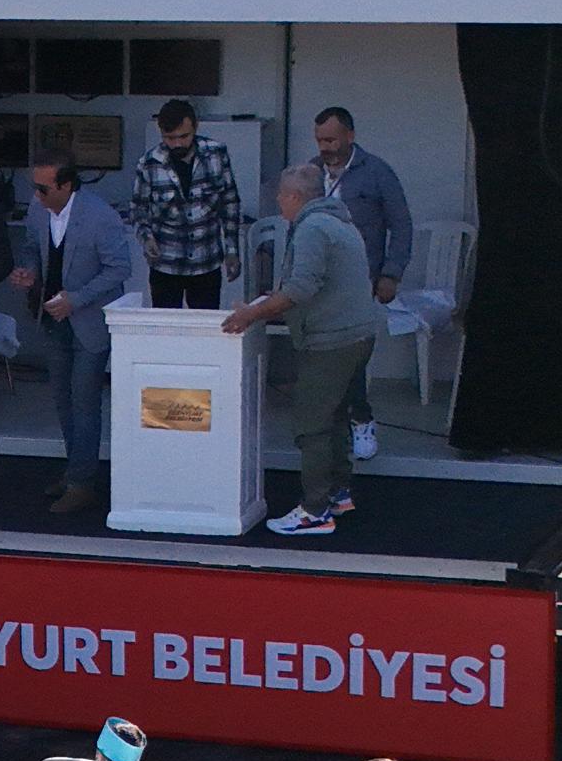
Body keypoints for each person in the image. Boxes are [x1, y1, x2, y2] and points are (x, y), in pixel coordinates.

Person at [230, 156, 375, 537]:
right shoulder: (341, 223)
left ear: (295, 196)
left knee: (311, 426)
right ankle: (338, 493)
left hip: (330, 343)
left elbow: (299, 289)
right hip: (357, 336)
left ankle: (314, 511)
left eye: (280, 196)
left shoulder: (312, 229)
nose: (278, 203)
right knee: (336, 416)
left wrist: (251, 313)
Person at [15, 150, 142, 519]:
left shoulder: (100, 216)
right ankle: (76, 471)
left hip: (87, 322)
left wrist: (77, 299)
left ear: (66, 185)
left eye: (42, 188)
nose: (36, 196)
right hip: (54, 318)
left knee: (85, 402)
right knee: (63, 399)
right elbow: (30, 248)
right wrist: (28, 271)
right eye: (34, 188)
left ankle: (82, 482)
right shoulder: (39, 210)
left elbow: (119, 268)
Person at [302, 105, 415, 459]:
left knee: (351, 356)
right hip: (319, 282)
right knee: (324, 357)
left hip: (362, 280)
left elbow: (402, 225)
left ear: (350, 136)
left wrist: (391, 274)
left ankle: (361, 420)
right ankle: (334, 426)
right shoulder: (312, 170)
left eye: (332, 139)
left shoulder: (377, 172)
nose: (326, 146)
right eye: (320, 140)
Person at [127, 97, 245, 311]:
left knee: (204, 330)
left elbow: (230, 204)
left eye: (184, 136)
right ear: (161, 133)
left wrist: (232, 250)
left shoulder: (216, 154)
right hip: (166, 264)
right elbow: (137, 209)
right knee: (167, 331)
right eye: (170, 138)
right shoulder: (149, 163)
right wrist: (146, 238)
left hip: (206, 261)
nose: (178, 143)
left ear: (195, 127)